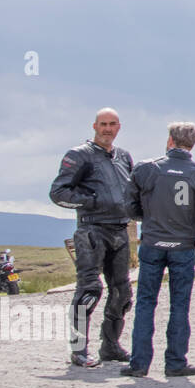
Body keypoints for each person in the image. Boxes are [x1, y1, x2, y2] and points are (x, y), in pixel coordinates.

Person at [120, 123, 195, 378]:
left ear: (170, 140)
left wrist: (150, 219)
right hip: (183, 245)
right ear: (193, 144)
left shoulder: (147, 169)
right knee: (179, 304)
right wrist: (193, 226)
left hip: (153, 242)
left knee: (145, 302)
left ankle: (139, 363)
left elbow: (129, 205)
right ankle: (175, 361)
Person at [49, 107, 135, 368]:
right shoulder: (79, 155)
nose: (107, 129)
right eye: (103, 124)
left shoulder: (124, 157)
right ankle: (78, 349)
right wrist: (91, 201)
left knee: (122, 292)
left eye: (112, 124)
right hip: (91, 229)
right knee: (89, 290)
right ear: (94, 126)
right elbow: (58, 192)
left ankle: (110, 346)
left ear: (119, 127)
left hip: (120, 230)